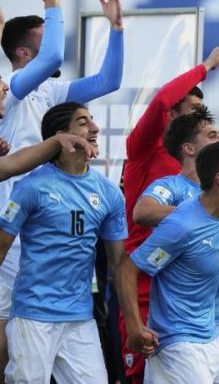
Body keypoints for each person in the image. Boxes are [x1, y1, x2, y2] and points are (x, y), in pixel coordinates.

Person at [0, 0, 124, 380]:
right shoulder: (14, 90)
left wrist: (117, 29)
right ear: (22, 54)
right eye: (44, 35)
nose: (55, 43)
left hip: (48, 228)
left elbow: (109, 81)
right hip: (15, 226)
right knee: (9, 335)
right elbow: (52, 57)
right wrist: (53, 1)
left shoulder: (51, 94)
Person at [120, 45, 219, 382]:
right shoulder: (144, 148)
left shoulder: (204, 168)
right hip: (147, 277)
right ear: (172, 116)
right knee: (141, 370)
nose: (202, 119)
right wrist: (206, 66)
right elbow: (159, 101)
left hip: (197, 292)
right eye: (193, 111)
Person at [117, 142, 219, 383]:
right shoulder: (183, 225)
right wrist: (135, 328)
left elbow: (205, 244)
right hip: (180, 346)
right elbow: (127, 270)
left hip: (213, 336)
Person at [0, 102, 127, 383]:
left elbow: (118, 264)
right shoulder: (31, 187)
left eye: (92, 119)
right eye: (82, 122)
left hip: (80, 317)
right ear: (62, 136)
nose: (94, 127)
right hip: (33, 315)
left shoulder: (109, 193)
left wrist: (133, 323)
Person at [131, 108, 219, 347]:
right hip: (179, 322)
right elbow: (143, 212)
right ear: (189, 149)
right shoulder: (172, 186)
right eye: (212, 135)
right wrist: (202, 213)